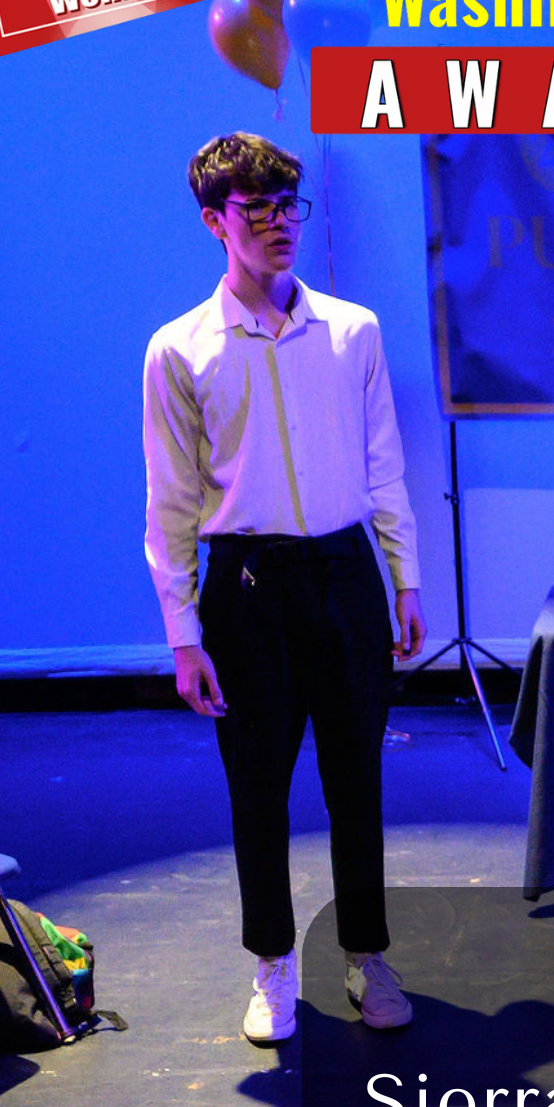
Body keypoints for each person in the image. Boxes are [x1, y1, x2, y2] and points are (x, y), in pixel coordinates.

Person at [143, 133, 426, 1043]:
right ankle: (271, 964)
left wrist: (404, 579)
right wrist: (183, 632)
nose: (277, 225)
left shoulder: (353, 332)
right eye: (256, 209)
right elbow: (172, 503)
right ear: (214, 222)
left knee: (357, 780)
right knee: (256, 785)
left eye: (287, 206)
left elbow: (384, 466)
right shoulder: (179, 350)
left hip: (345, 576)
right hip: (247, 588)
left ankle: (366, 953)